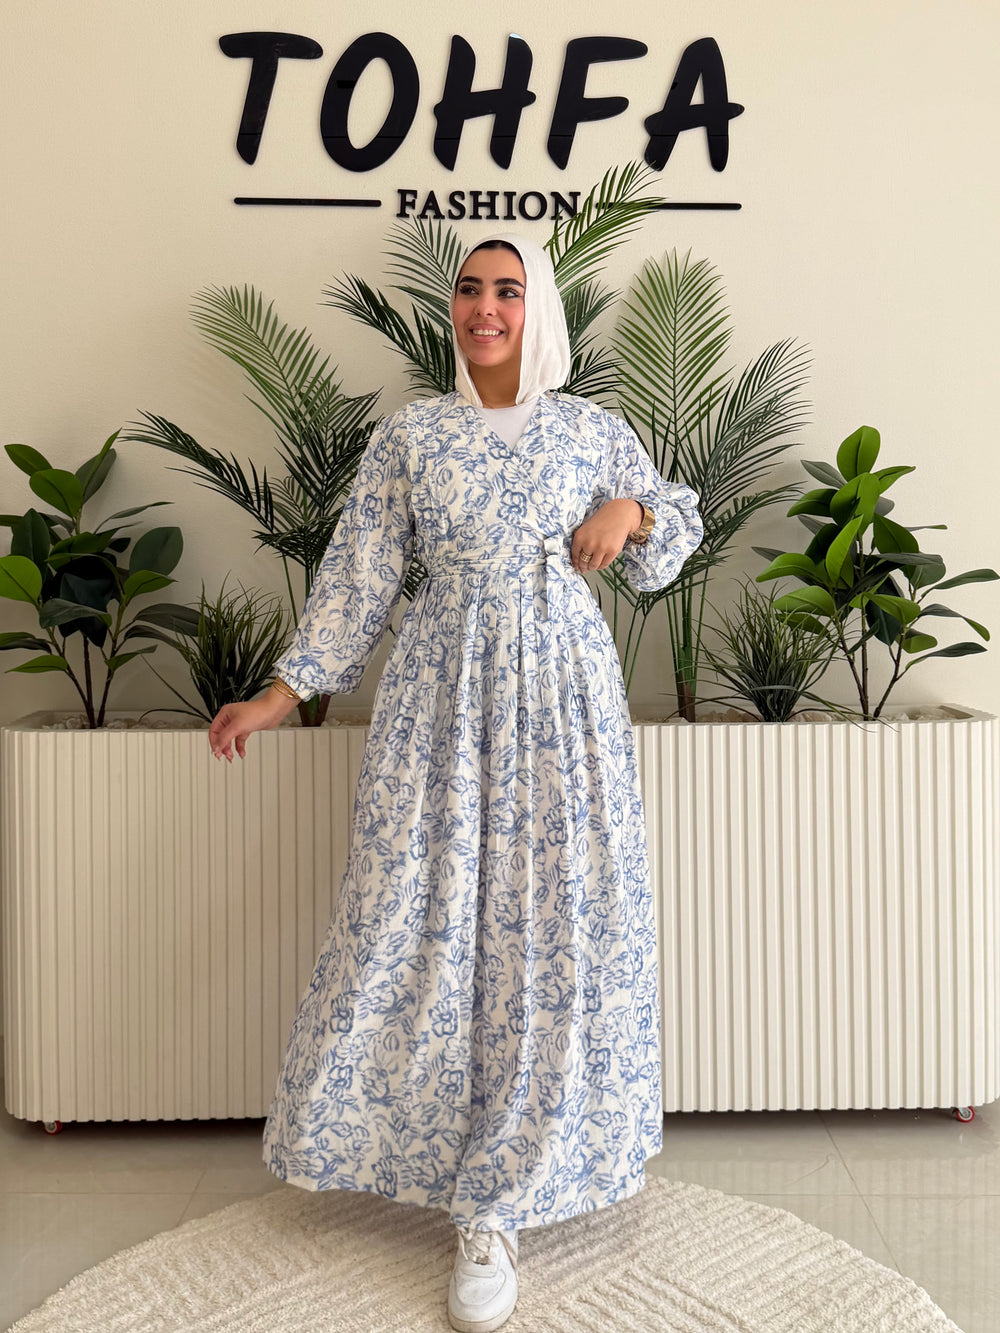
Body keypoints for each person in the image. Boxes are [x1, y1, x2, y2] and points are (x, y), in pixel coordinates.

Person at [209, 234, 703, 1333]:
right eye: (471, 290)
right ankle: (437, 1156)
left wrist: (630, 513)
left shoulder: (590, 430)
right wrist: (279, 695)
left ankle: (502, 1199)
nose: (486, 308)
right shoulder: (413, 435)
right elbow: (359, 576)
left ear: (538, 310)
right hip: (439, 698)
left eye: (508, 290)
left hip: (563, 701)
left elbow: (675, 529)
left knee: (550, 924)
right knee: (414, 913)